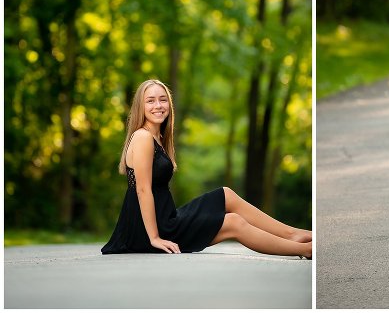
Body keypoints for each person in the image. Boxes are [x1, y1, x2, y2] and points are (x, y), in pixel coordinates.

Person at [102, 79, 312, 258]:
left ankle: (292, 234)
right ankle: (302, 248)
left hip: (166, 218)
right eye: (151, 101)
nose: (158, 105)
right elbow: (142, 189)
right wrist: (155, 238)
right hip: (149, 229)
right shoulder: (143, 137)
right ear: (141, 106)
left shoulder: (158, 137)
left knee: (225, 195)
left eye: (162, 99)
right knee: (233, 223)